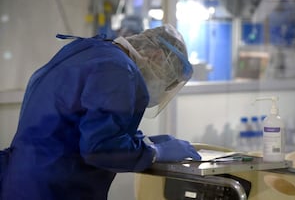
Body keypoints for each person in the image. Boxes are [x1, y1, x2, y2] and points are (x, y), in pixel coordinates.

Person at [0, 24, 201, 200]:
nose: (162, 87)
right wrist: (156, 153)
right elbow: (100, 148)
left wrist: (143, 142)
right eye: (166, 79)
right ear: (156, 55)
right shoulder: (118, 70)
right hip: (55, 188)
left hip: (22, 180)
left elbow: (78, 122)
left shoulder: (89, 50)